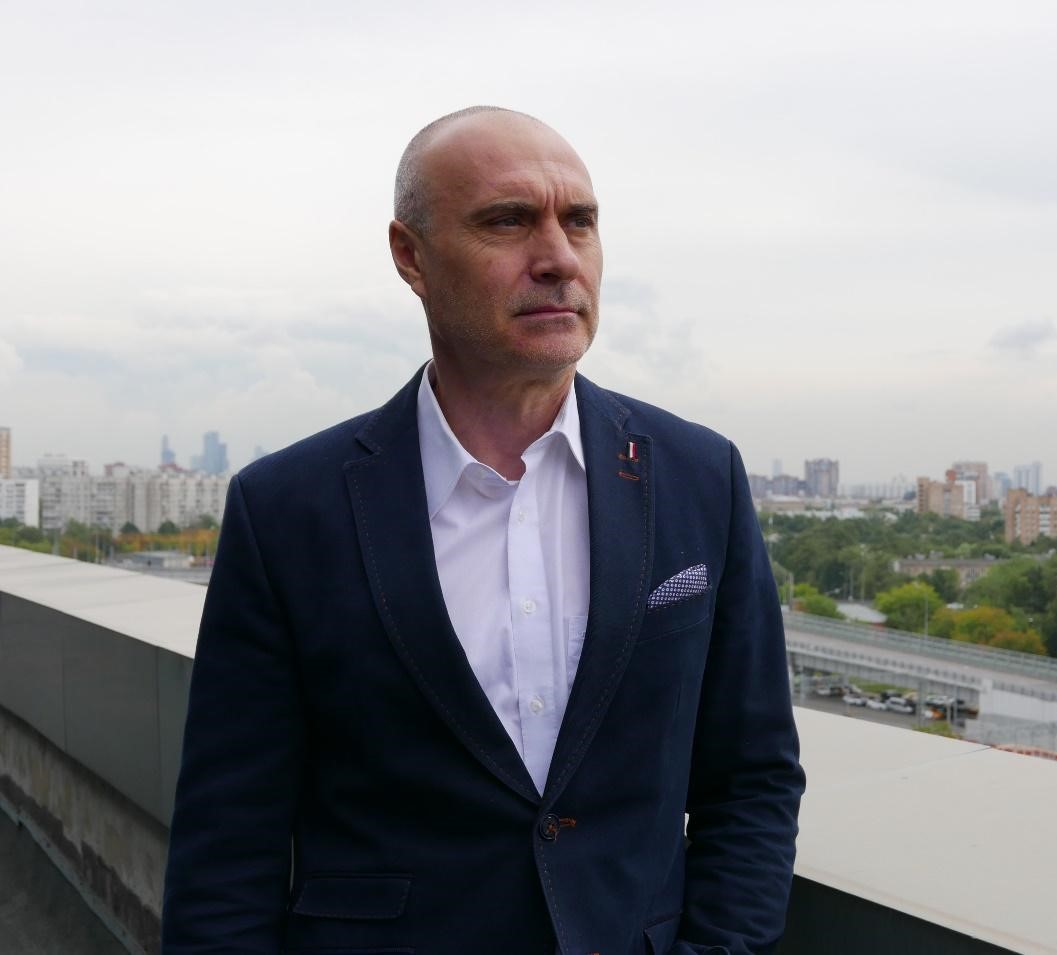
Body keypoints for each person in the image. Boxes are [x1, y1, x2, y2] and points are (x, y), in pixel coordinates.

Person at [161, 107, 804, 955]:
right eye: (508, 220)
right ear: (411, 256)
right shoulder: (286, 509)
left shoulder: (699, 476)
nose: (559, 257)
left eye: (580, 221)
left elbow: (752, 779)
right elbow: (227, 846)